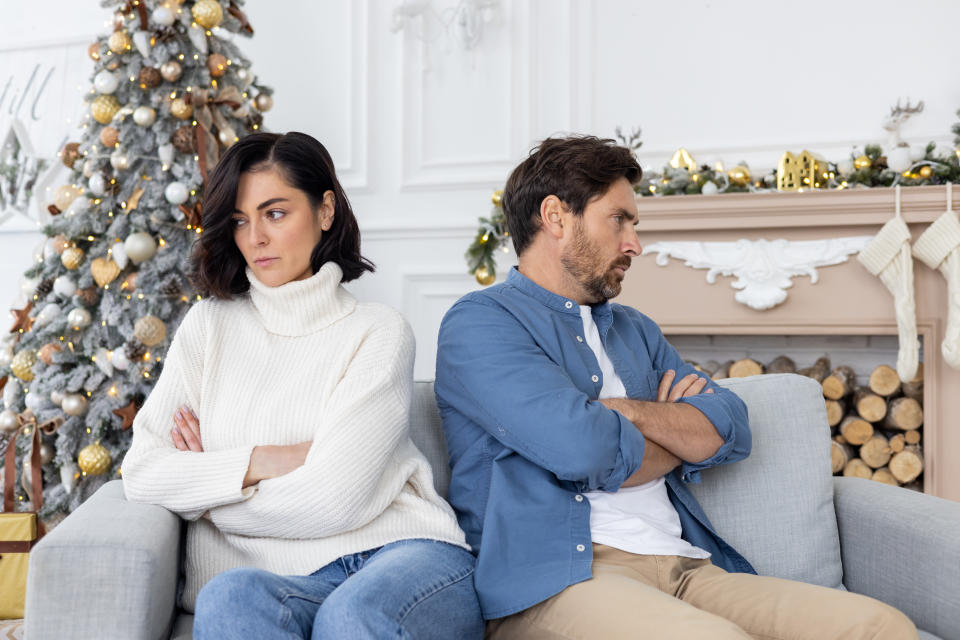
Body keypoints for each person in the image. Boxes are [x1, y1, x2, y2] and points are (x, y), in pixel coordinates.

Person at [434, 135, 917, 639]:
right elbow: (584, 448)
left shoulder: (634, 328)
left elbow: (729, 426)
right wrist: (677, 440)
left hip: (687, 568)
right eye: (618, 219)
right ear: (556, 216)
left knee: (879, 627)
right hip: (562, 583)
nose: (634, 244)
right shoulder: (481, 324)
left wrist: (631, 413)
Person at [122, 132, 483, 639]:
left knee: (350, 618)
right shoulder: (208, 328)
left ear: (326, 210)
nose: (255, 239)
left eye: (275, 213)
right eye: (240, 221)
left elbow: (336, 499)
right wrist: (261, 462)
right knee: (226, 599)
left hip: (402, 556)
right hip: (274, 578)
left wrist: (207, 490)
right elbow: (142, 472)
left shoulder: (378, 331)